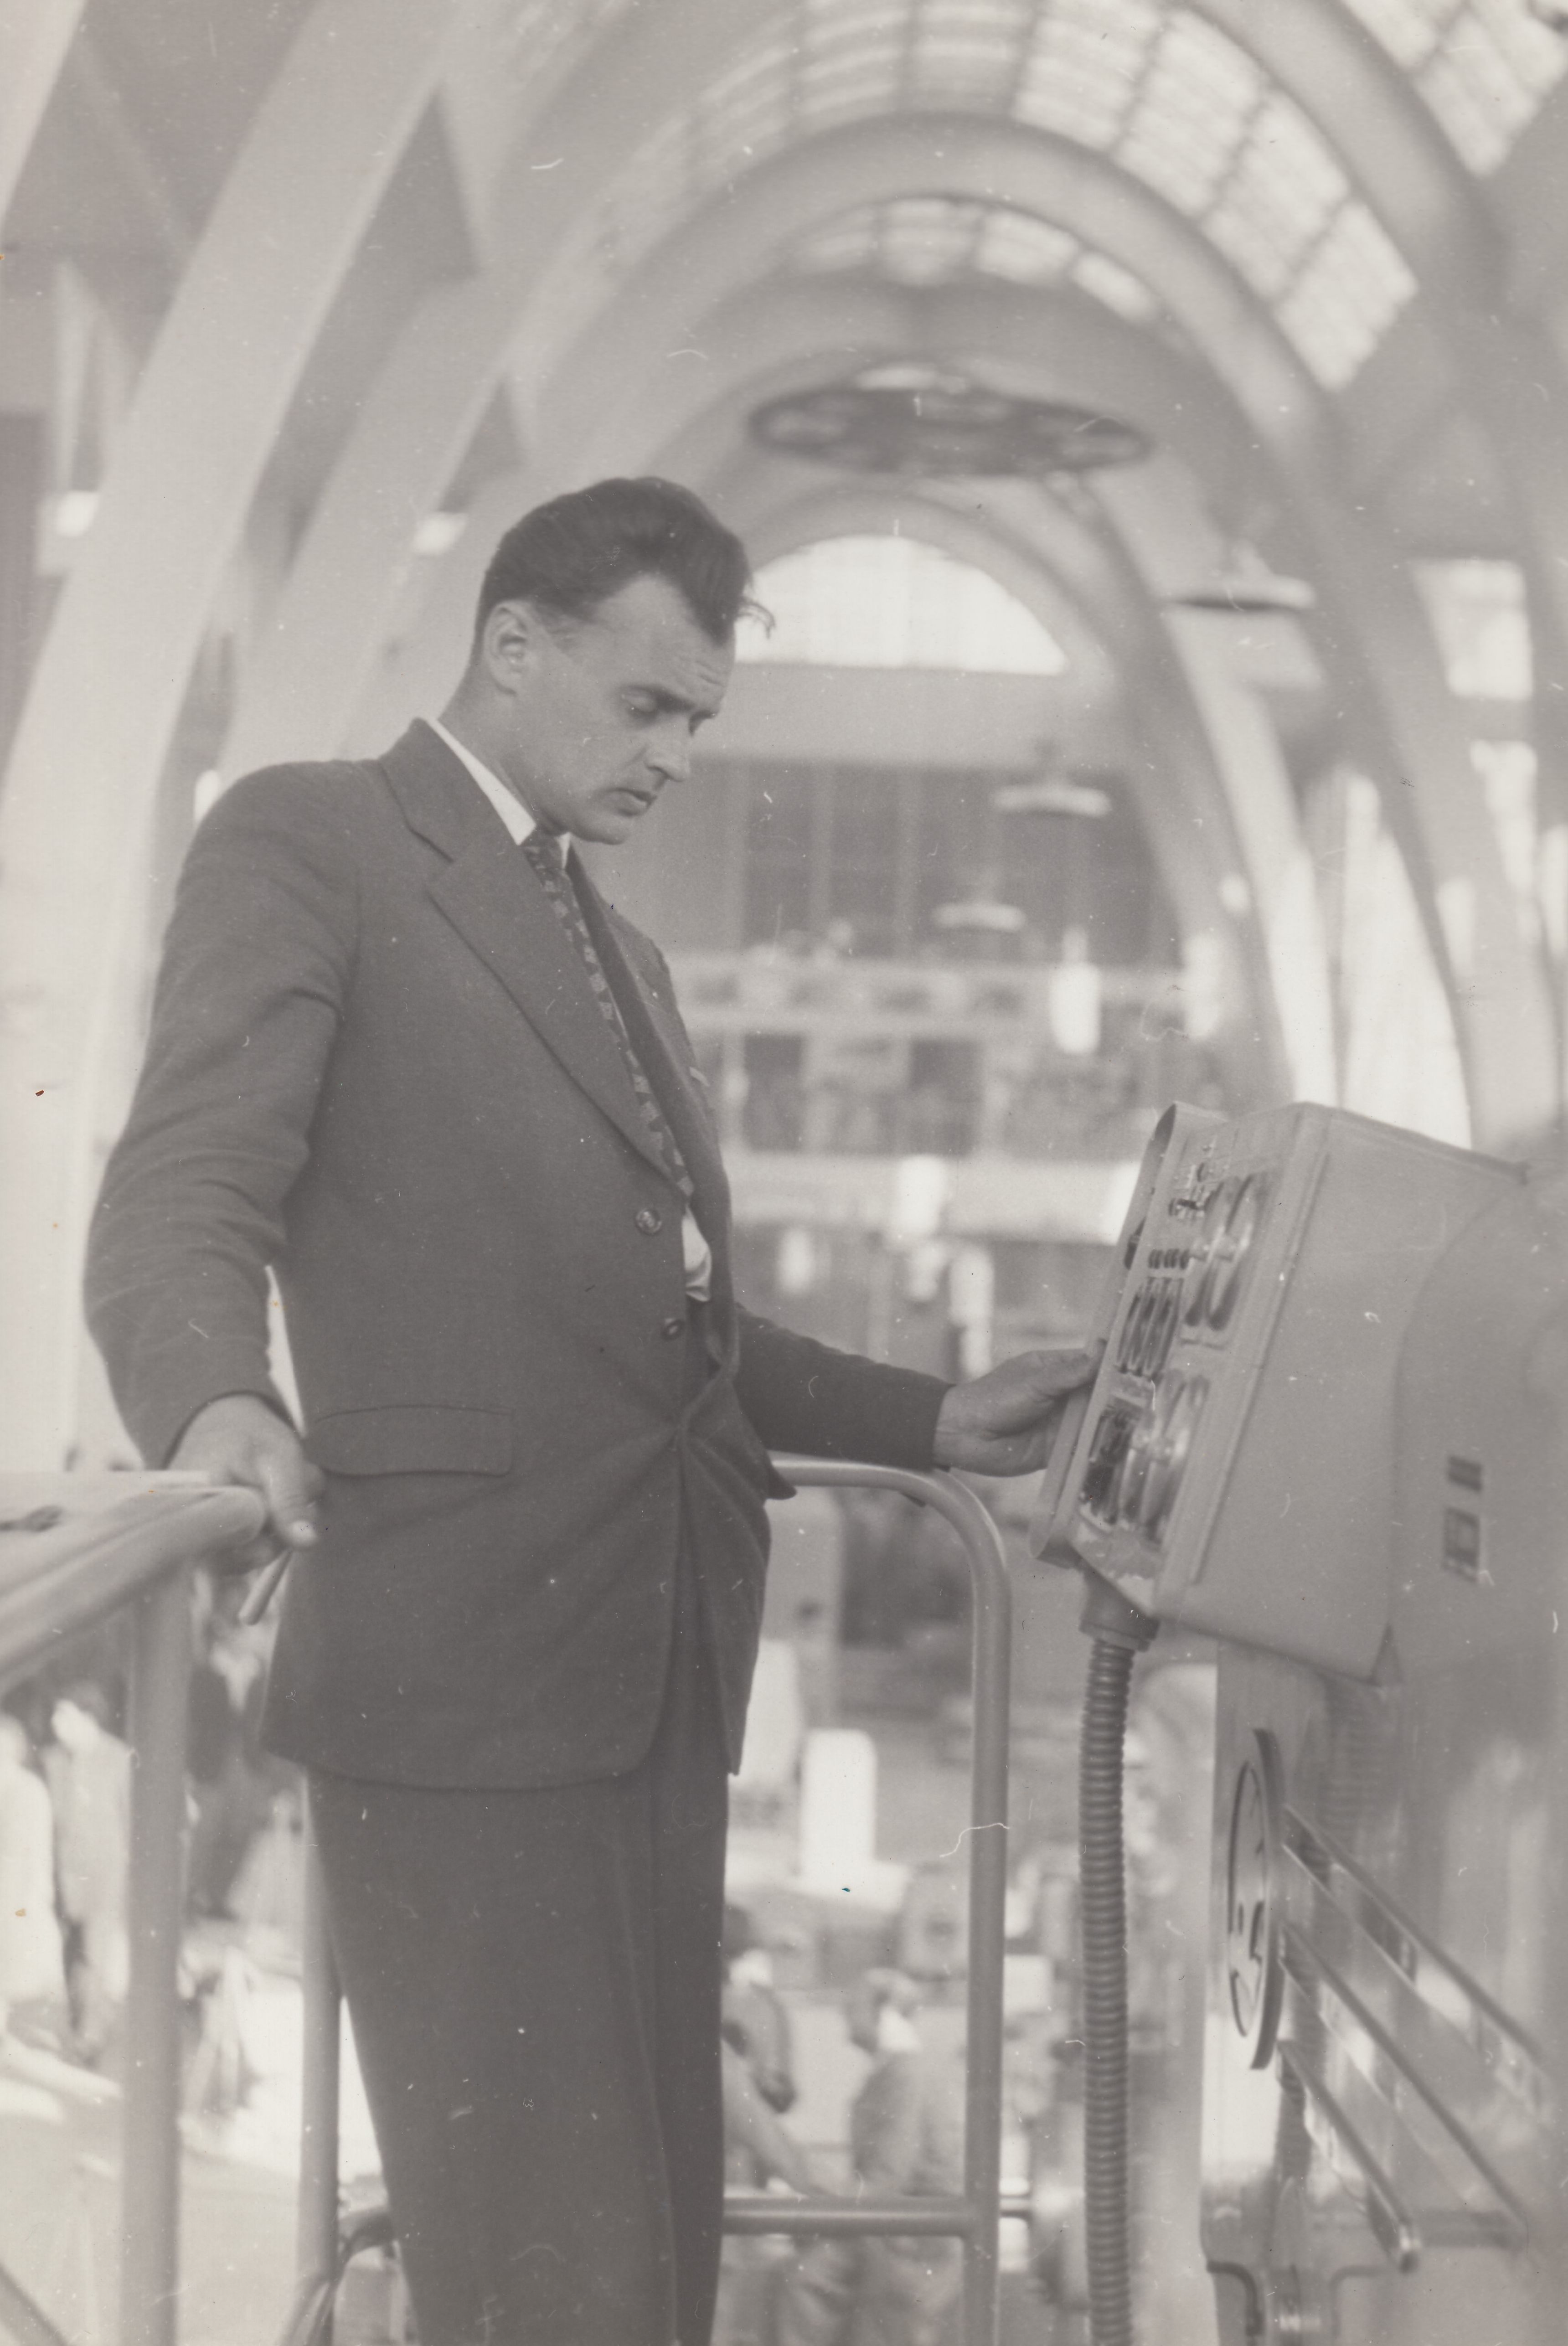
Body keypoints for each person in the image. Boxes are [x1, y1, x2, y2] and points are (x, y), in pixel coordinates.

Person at [84, 477, 1094, 2346]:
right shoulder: (313, 838)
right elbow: (182, 1184)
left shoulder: (619, 952)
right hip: (464, 1680)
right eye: (645, 707)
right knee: (538, 2278)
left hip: (648, 1683)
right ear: (511, 643)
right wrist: (218, 1400)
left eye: (699, 719)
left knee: (646, 2265)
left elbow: (677, 1333)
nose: (676, 758)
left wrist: (938, 1412)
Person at [774, 1971, 964, 2346]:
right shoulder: (893, 2072)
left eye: (854, 2005)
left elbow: (889, 2176)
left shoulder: (908, 2075)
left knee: (803, 2279)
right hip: (887, 2226)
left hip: (912, 2237)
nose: (845, 2013)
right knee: (800, 2275)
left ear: (887, 2010)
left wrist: (820, 2198)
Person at [44, 1683, 131, 2062]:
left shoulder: (120, 1759)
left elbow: (133, 1821)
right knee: (71, 1954)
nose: (55, 1722)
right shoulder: (51, 1760)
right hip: (63, 1877)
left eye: (64, 1714)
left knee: (97, 1955)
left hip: (106, 1876)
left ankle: (90, 2036)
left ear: (89, 1718)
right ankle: (81, 2024)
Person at [0, 1712, 66, 2037]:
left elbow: (30, 1856)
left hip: (19, 1899)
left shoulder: (28, 1790)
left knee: (18, 1975)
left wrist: (23, 1906)